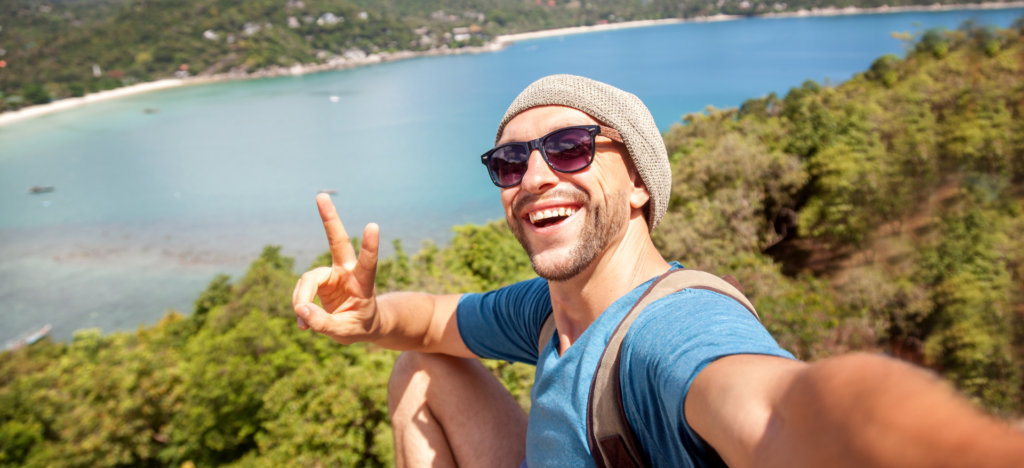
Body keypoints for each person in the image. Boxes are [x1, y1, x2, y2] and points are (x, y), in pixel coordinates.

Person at [292, 75, 1024, 468]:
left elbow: (777, 410)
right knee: (422, 365)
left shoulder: (670, 330)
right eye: (510, 162)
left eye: (573, 147)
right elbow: (434, 320)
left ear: (640, 182)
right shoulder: (549, 310)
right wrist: (369, 316)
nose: (537, 176)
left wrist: (966, 449)